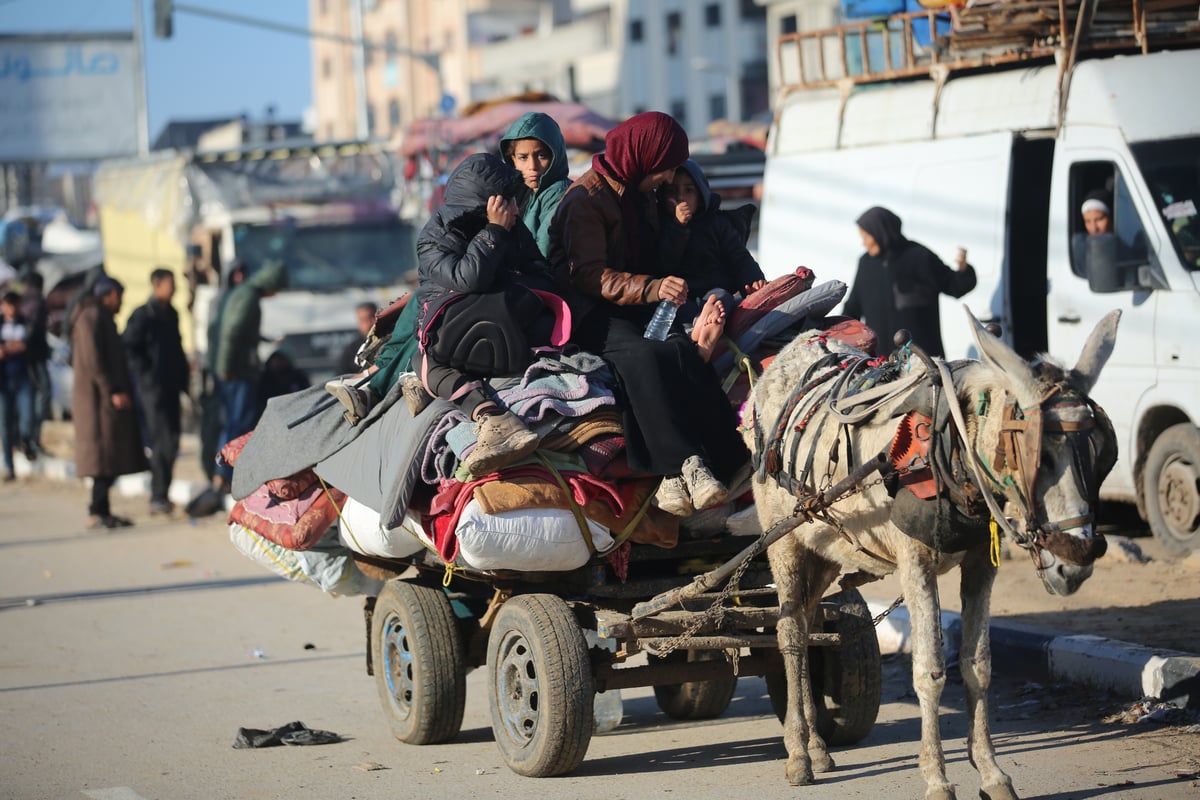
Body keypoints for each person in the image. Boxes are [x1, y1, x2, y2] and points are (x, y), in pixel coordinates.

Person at [547, 111, 750, 516]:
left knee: (682, 352)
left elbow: (656, 257)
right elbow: (586, 275)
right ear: (643, 157)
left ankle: (731, 462)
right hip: (588, 314)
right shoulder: (586, 200)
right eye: (666, 168)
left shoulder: (641, 196)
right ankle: (679, 468)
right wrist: (653, 288)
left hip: (635, 308)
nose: (668, 178)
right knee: (643, 358)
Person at [330, 154, 558, 476]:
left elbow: (539, 272)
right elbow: (468, 279)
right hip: (459, 325)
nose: (516, 210)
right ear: (483, 204)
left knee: (426, 361)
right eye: (507, 202)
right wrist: (493, 233)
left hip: (506, 319)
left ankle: (486, 416)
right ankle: (490, 418)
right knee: (426, 356)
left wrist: (510, 282)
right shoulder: (436, 237)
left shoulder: (510, 225)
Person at [842, 206, 976, 359]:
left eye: (866, 237)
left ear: (881, 233)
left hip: (922, 362)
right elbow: (853, 308)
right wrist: (837, 335)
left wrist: (963, 269)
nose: (863, 243)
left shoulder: (920, 257)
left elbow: (955, 286)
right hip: (882, 364)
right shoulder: (866, 263)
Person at [71, 277, 148, 528]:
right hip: (97, 402)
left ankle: (101, 511)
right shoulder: (90, 318)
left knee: (107, 458)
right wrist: (112, 390)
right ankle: (96, 511)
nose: (121, 302)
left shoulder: (100, 317)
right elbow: (94, 362)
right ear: (111, 294)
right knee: (102, 457)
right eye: (119, 296)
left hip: (102, 400)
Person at [207, 259, 287, 488]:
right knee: (237, 424)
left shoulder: (243, 294)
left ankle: (224, 475)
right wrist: (225, 368)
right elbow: (231, 332)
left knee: (235, 422)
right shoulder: (248, 298)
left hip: (234, 369)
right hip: (236, 372)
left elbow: (242, 332)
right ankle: (224, 475)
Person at [659, 158, 767, 321]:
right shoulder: (659, 224)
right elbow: (663, 263)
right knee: (670, 306)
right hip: (678, 295)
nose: (681, 197)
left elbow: (739, 258)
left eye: (689, 190)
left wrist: (754, 282)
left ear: (701, 195)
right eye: (672, 191)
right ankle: (699, 326)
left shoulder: (717, 224)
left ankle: (709, 322)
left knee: (721, 298)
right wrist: (678, 228)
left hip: (713, 291)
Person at [123, 268, 190, 515]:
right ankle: (158, 495)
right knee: (161, 441)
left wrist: (183, 380)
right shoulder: (143, 315)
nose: (173, 289)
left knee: (172, 441)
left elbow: (178, 349)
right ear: (156, 285)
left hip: (171, 387)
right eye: (169, 284)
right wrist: (146, 376)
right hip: (152, 389)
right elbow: (129, 347)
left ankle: (162, 493)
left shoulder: (171, 314)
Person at [499, 111, 573, 257]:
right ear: (512, 159)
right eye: (523, 157)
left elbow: (542, 251)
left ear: (555, 156)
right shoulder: (519, 193)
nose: (532, 166)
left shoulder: (559, 193)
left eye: (541, 156)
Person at [0, 291, 36, 480]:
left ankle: (26, 443)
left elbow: (28, 345)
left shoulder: (26, 322)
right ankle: (9, 467)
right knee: (5, 426)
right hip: (3, 382)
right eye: (8, 304)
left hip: (24, 379)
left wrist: (10, 348)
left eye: (14, 304)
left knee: (27, 418)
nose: (11, 308)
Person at [18, 271, 50, 452]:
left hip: (23, 359)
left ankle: (25, 439)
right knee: (43, 394)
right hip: (35, 357)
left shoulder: (21, 301)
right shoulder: (37, 302)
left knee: (26, 398)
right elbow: (30, 333)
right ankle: (32, 438)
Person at [335, 301, 377, 376]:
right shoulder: (351, 351)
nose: (371, 323)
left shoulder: (391, 343)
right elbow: (341, 378)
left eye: (373, 317)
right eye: (364, 320)